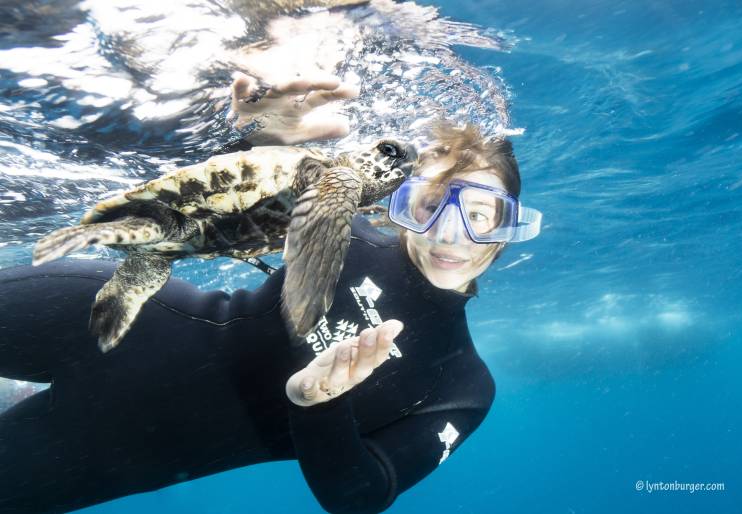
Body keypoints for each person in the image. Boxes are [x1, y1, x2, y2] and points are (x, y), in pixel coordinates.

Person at [0, 66, 541, 514]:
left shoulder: (462, 386)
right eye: (431, 206)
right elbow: (210, 198)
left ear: (509, 228)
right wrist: (254, 133)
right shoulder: (343, 224)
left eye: (480, 215)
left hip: (111, 453)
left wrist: (317, 403)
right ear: (404, 205)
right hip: (89, 312)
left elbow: (358, 496)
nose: (450, 233)